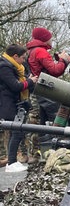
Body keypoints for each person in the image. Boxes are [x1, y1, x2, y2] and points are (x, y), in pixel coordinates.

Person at [25, 27, 70, 163]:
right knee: (58, 118)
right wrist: (63, 61)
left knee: (42, 122)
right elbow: (55, 71)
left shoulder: (32, 51)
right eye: (50, 38)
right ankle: (61, 152)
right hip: (47, 89)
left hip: (39, 89)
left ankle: (39, 153)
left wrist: (60, 62)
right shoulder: (41, 51)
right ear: (44, 39)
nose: (51, 40)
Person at [0, 44, 39, 172]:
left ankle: (12, 161)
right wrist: (30, 81)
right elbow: (15, 86)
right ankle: (11, 162)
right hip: (7, 104)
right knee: (16, 131)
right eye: (22, 58)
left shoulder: (15, 67)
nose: (24, 60)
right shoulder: (4, 67)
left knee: (17, 131)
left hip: (13, 103)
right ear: (15, 56)